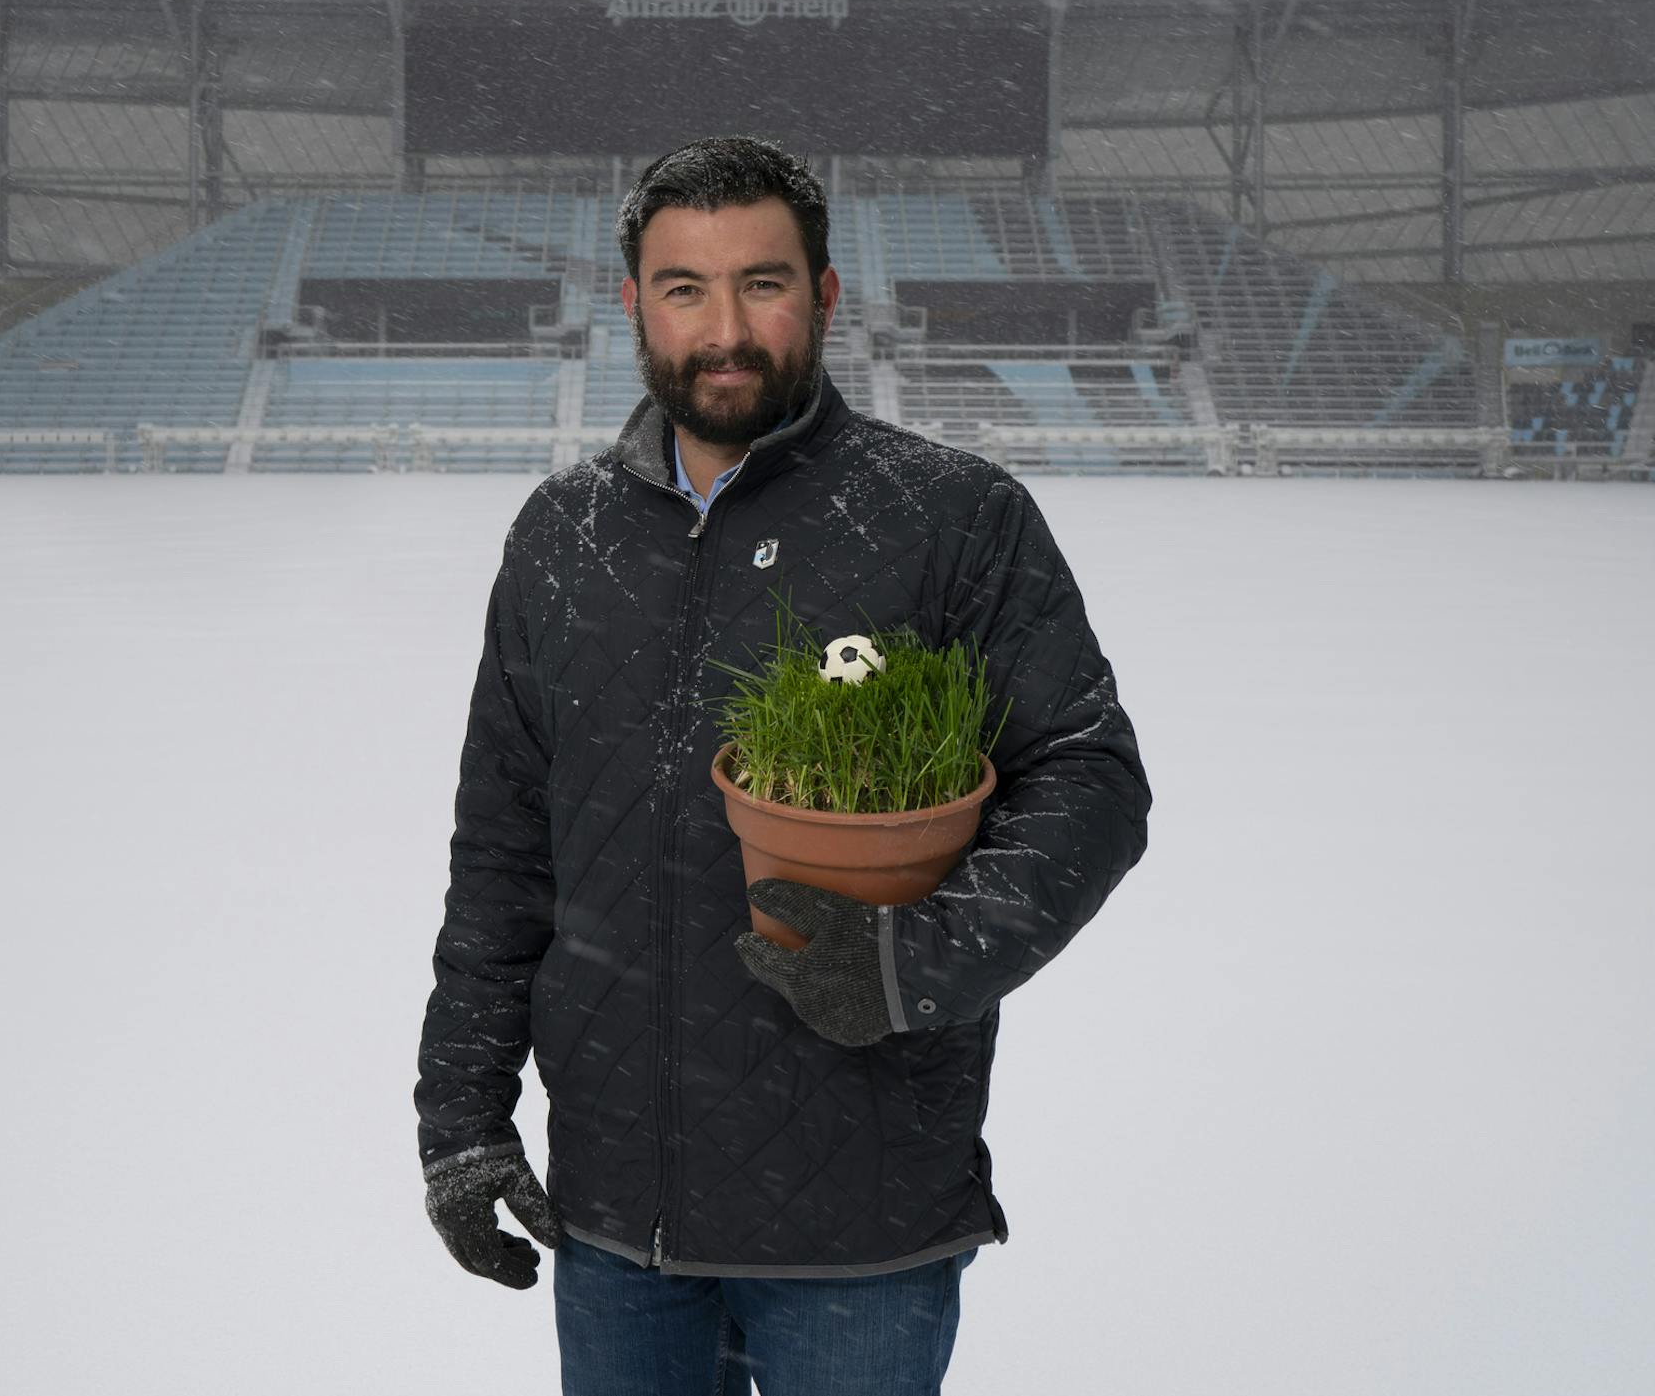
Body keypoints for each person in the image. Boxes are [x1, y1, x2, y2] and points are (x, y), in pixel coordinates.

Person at [417, 135, 1152, 1395]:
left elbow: (1089, 778)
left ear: (823, 294)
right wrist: (462, 1117)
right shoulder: (560, 538)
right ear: (633, 302)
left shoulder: (952, 516)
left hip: (861, 1223)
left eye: (762, 283)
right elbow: (502, 851)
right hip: (620, 1225)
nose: (725, 331)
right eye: (684, 288)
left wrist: (910, 964)